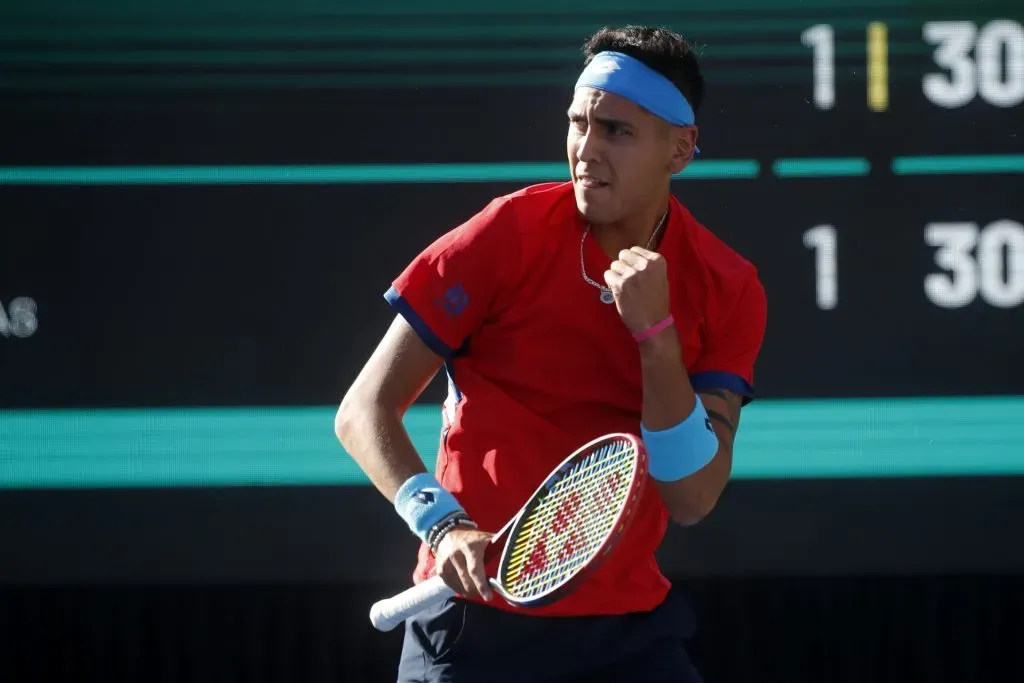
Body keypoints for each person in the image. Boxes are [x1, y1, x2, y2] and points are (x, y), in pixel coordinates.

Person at [335, 25, 767, 683]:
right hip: (470, 629)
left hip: (628, 636)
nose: (585, 151)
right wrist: (442, 525)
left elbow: (690, 496)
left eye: (616, 131)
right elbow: (364, 409)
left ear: (679, 151)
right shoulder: (505, 233)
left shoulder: (728, 284)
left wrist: (655, 336)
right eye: (577, 124)